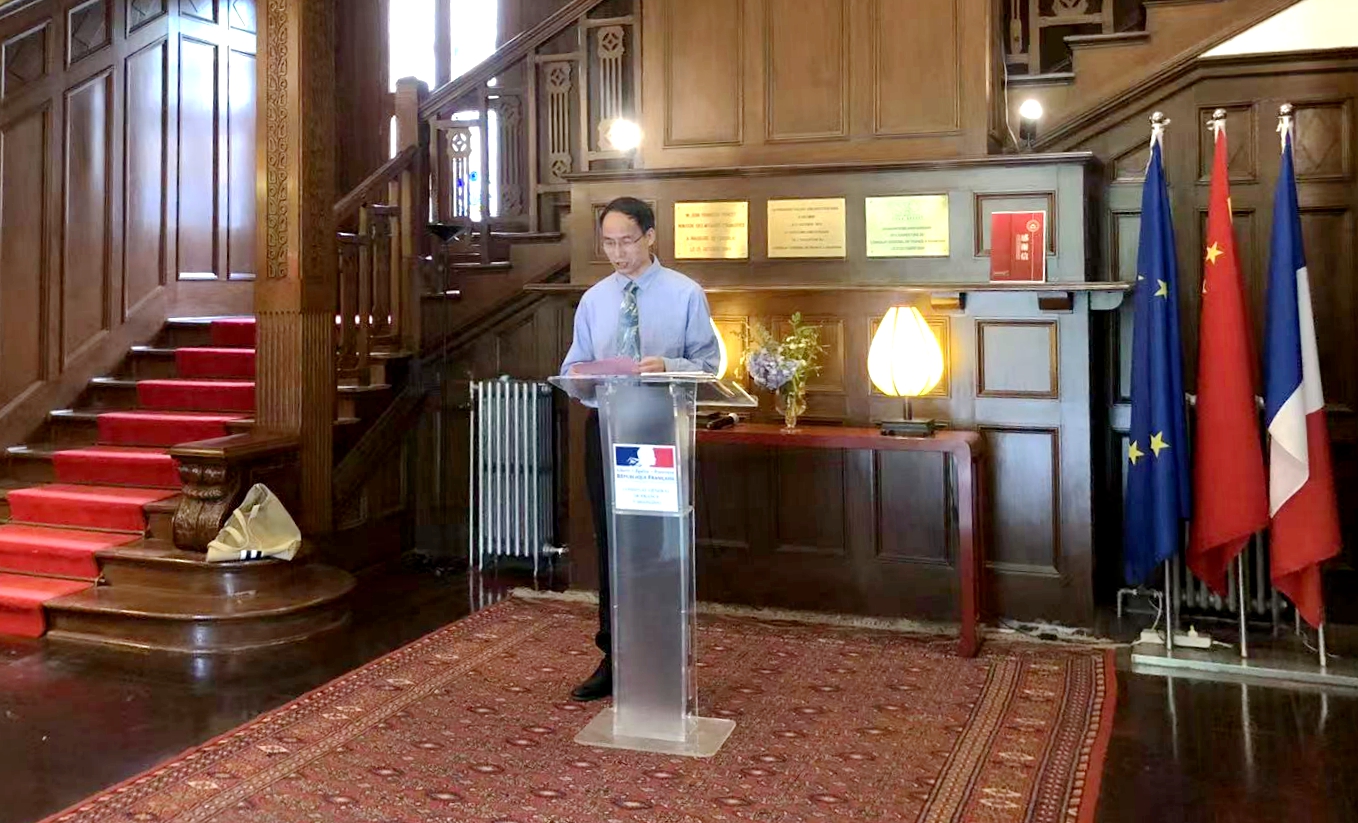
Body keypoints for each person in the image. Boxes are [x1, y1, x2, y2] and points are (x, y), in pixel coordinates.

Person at [559, 196, 720, 701]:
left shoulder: (685, 293)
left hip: (659, 430)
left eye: (627, 241)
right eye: (608, 243)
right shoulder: (594, 300)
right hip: (607, 428)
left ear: (650, 236)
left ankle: (662, 653)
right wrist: (583, 376)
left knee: (656, 543)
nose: (618, 253)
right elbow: (572, 368)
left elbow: (710, 365)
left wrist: (668, 365)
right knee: (613, 541)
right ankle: (614, 655)